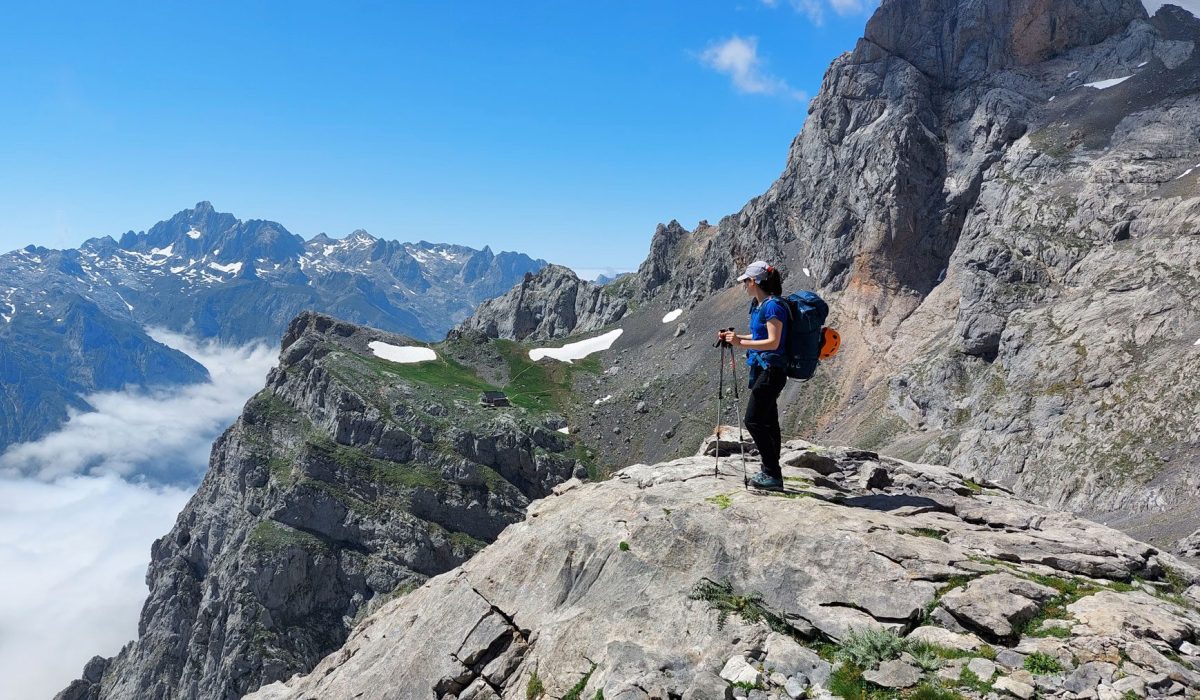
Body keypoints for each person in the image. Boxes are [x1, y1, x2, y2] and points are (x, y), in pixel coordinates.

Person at [718, 261, 788, 490]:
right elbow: (759, 334)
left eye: (746, 281)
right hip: (762, 368)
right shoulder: (759, 305)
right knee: (768, 422)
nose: (744, 285)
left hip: (772, 369)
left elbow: (773, 341)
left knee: (753, 420)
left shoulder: (772, 307)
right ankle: (771, 471)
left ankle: (772, 474)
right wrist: (735, 337)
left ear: (755, 281)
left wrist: (739, 343)